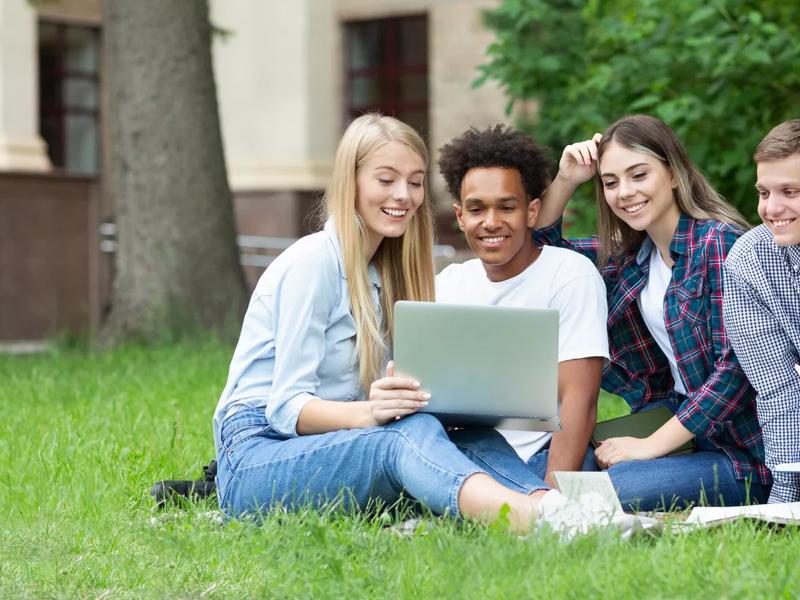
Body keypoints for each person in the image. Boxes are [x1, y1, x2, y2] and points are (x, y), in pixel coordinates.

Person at [211, 113, 631, 534]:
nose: (404, 195)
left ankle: (556, 506)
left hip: (330, 448)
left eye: (414, 182)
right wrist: (373, 411)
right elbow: (286, 409)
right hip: (256, 455)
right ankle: (531, 521)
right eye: (386, 179)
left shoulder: (388, 273)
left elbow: (516, 222)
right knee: (402, 436)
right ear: (350, 183)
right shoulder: (314, 262)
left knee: (461, 430)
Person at [533, 114, 770, 511]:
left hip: (742, 451)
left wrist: (648, 447)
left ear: (674, 174)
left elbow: (737, 372)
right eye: (611, 182)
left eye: (638, 175)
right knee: (553, 467)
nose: (625, 192)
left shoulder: (719, 244)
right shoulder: (633, 257)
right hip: (674, 419)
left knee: (602, 491)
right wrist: (567, 179)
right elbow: (542, 251)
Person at [435, 125, 608, 487]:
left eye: (506, 207)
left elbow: (579, 399)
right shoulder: (448, 284)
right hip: (457, 450)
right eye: (477, 209)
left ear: (531, 212)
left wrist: (552, 493)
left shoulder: (569, 274)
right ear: (460, 216)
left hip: (535, 458)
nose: (491, 222)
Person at [723, 120, 800, 503]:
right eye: (764, 192)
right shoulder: (749, 260)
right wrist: (786, 497)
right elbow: (777, 386)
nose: (771, 209)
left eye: (790, 191)